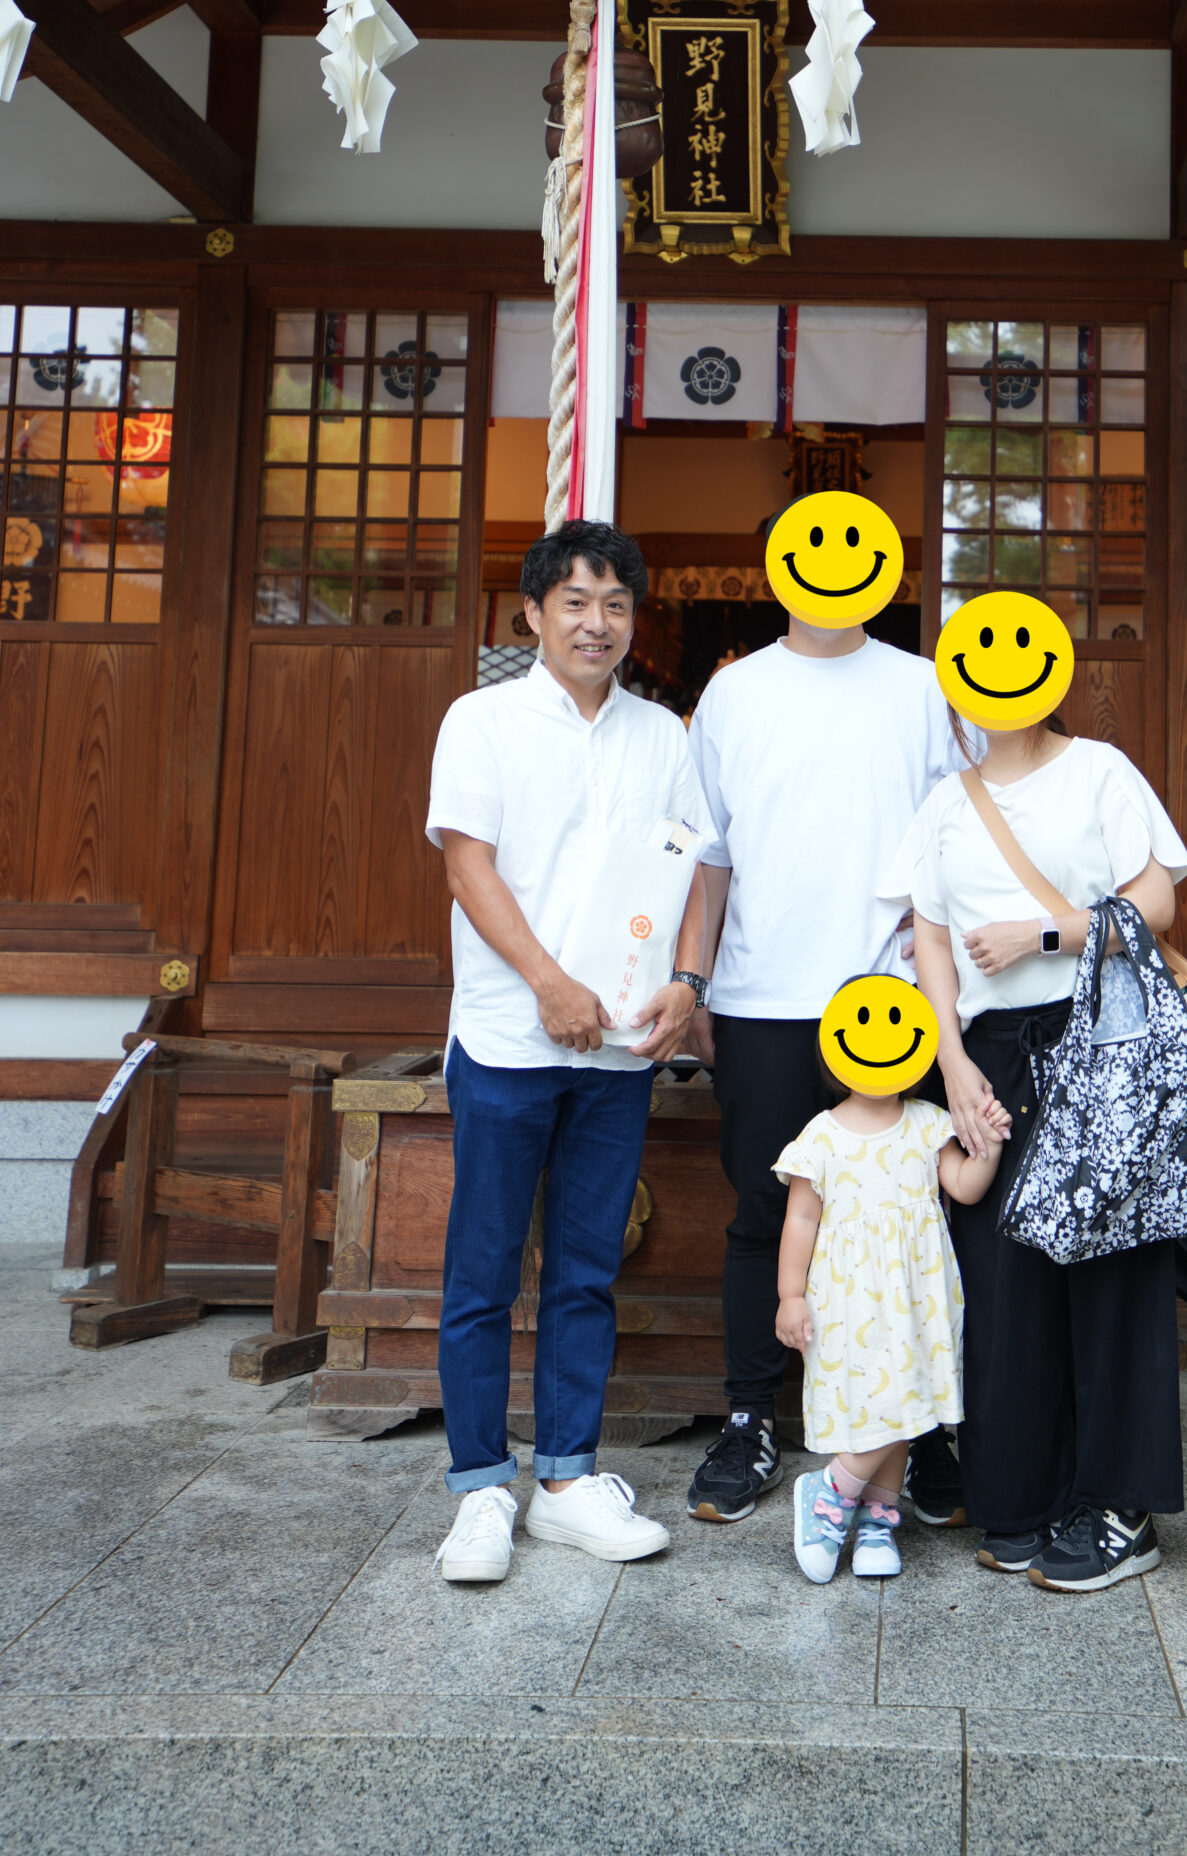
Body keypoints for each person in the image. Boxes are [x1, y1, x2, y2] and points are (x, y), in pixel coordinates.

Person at [425, 521, 709, 1585]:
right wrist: (548, 982)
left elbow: (694, 870)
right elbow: (468, 867)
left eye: (616, 605)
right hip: (508, 1036)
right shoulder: (483, 719)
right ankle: (478, 1488)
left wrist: (688, 982)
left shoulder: (662, 734)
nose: (598, 623)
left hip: (619, 1051)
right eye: (577, 602)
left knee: (587, 1271)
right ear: (534, 614)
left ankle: (566, 1482)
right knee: (484, 1270)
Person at [683, 493, 973, 1527]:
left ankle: (924, 1430)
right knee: (767, 1212)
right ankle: (750, 1418)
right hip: (761, 996)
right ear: (776, 566)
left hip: (894, 999)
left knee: (916, 1217)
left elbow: (958, 838)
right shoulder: (732, 692)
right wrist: (695, 982)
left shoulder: (925, 686)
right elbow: (708, 854)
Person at [883, 709, 1187, 1594]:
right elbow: (929, 939)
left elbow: (1155, 901)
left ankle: (1120, 1510)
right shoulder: (947, 802)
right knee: (1001, 1279)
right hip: (990, 1053)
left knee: (1112, 1273)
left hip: (1100, 1042)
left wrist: (1042, 934)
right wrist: (950, 1063)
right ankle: (1020, 1497)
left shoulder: (1098, 768)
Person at [773, 985, 1008, 1583]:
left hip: (917, 1297)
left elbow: (965, 1187)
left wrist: (988, 1143)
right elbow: (800, 1220)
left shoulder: (929, 1124)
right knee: (877, 1405)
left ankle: (877, 1519)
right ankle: (832, 1491)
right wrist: (790, 1295)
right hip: (849, 1299)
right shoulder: (821, 1137)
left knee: (907, 1404)